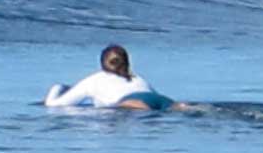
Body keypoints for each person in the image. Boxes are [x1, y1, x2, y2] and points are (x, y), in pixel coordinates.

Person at [43, 43, 174, 110]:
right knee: (180, 109)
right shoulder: (136, 78)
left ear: (102, 63)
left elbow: (54, 105)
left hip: (130, 101)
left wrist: (56, 88)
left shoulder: (95, 79)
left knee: (140, 111)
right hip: (161, 99)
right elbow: (151, 94)